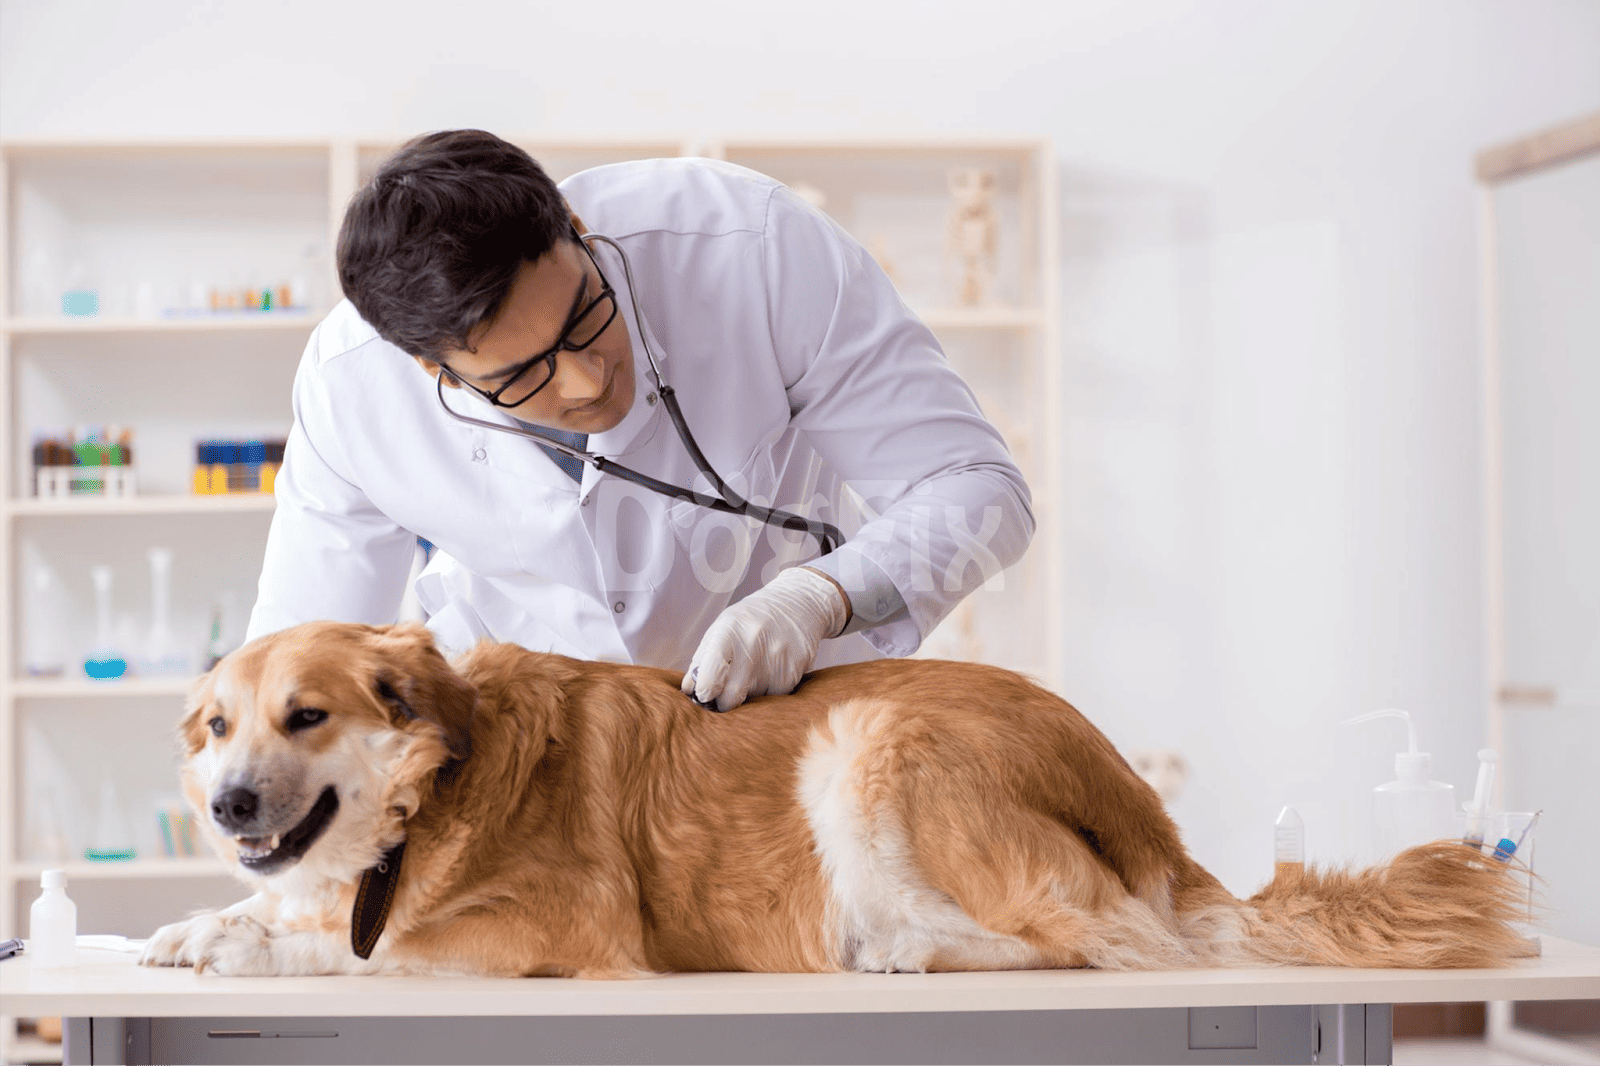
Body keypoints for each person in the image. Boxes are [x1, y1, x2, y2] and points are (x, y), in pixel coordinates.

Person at [246, 129, 1034, 711]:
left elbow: (979, 490)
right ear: (434, 371)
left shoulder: (750, 243)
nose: (587, 379)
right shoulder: (350, 388)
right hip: (540, 747)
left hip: (795, 715)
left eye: (587, 314)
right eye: (521, 376)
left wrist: (818, 597)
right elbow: (293, 668)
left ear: (578, 233)